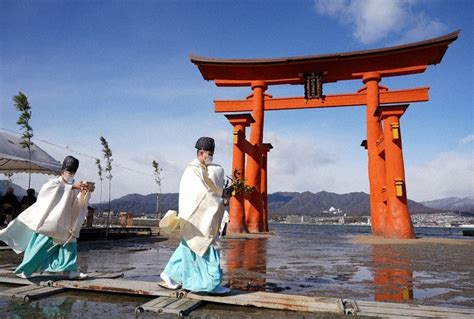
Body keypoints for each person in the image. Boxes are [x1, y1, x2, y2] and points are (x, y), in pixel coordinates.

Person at [0, 156, 95, 279]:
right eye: (69, 172)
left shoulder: (73, 186)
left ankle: (72, 271)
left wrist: (85, 192)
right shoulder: (53, 183)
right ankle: (24, 270)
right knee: (39, 248)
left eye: (73, 172)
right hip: (51, 222)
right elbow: (51, 192)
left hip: (66, 223)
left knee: (70, 244)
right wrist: (73, 187)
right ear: (62, 172)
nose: (71, 174)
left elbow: (76, 203)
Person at [159, 137, 231, 294]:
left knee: (189, 247)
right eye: (206, 153)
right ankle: (210, 284)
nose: (208, 156)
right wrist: (218, 198)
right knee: (202, 246)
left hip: (208, 216)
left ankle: (171, 274)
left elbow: (214, 191)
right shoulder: (191, 170)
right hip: (194, 216)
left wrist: (224, 195)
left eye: (211, 153)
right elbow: (197, 194)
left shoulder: (217, 169)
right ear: (200, 152)